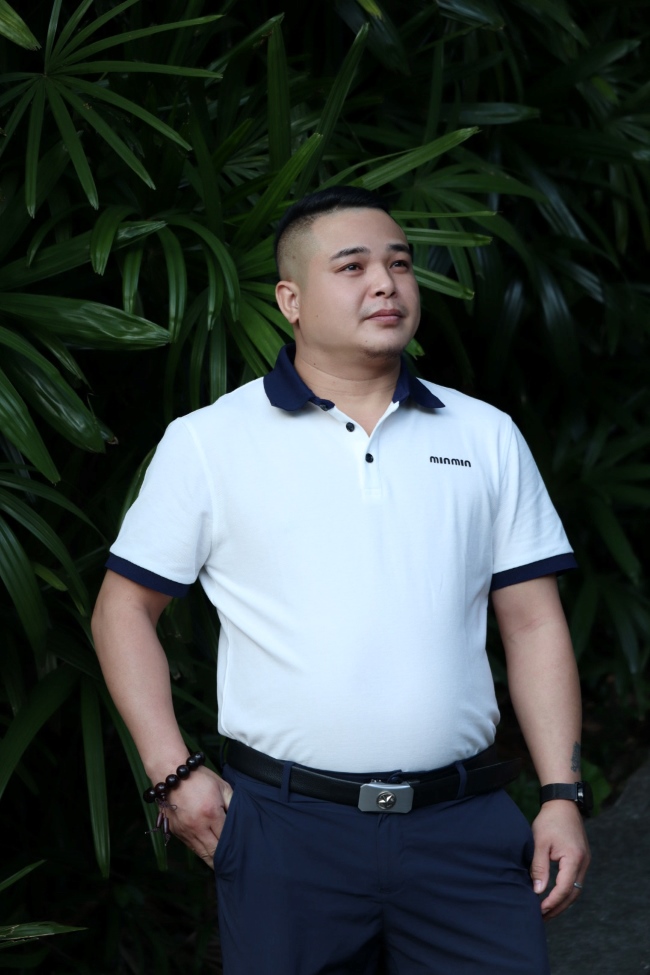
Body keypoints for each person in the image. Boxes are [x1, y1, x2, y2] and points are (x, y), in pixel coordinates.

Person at [92, 186, 590, 974]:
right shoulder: (209, 441)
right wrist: (171, 773)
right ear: (290, 299)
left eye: (399, 264)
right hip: (287, 829)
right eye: (352, 266)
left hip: (462, 826)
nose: (385, 283)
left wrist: (563, 793)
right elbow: (122, 610)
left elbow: (534, 623)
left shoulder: (485, 435)